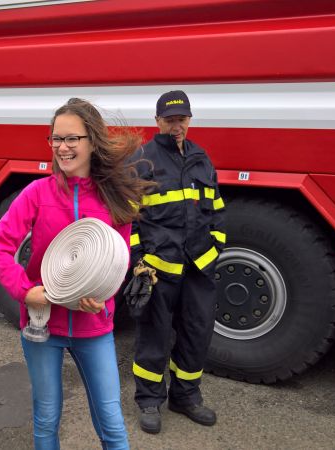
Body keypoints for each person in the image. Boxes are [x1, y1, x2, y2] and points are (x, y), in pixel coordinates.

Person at [0, 98, 151, 449]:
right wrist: (25, 291)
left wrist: (103, 297)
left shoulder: (113, 199)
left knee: (112, 422)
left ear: (92, 142)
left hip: (94, 326)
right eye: (56, 139)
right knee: (46, 418)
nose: (63, 147)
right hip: (43, 326)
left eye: (72, 138)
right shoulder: (36, 193)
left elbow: (118, 262)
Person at [129, 90, 226, 434]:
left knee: (196, 333)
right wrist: (139, 261)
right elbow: (129, 218)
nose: (176, 126)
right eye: (169, 119)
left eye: (181, 119)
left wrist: (216, 246)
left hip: (199, 268)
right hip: (158, 270)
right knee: (154, 336)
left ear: (189, 120)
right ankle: (149, 400)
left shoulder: (201, 158)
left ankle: (186, 397)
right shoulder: (143, 160)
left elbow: (216, 208)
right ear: (157, 121)